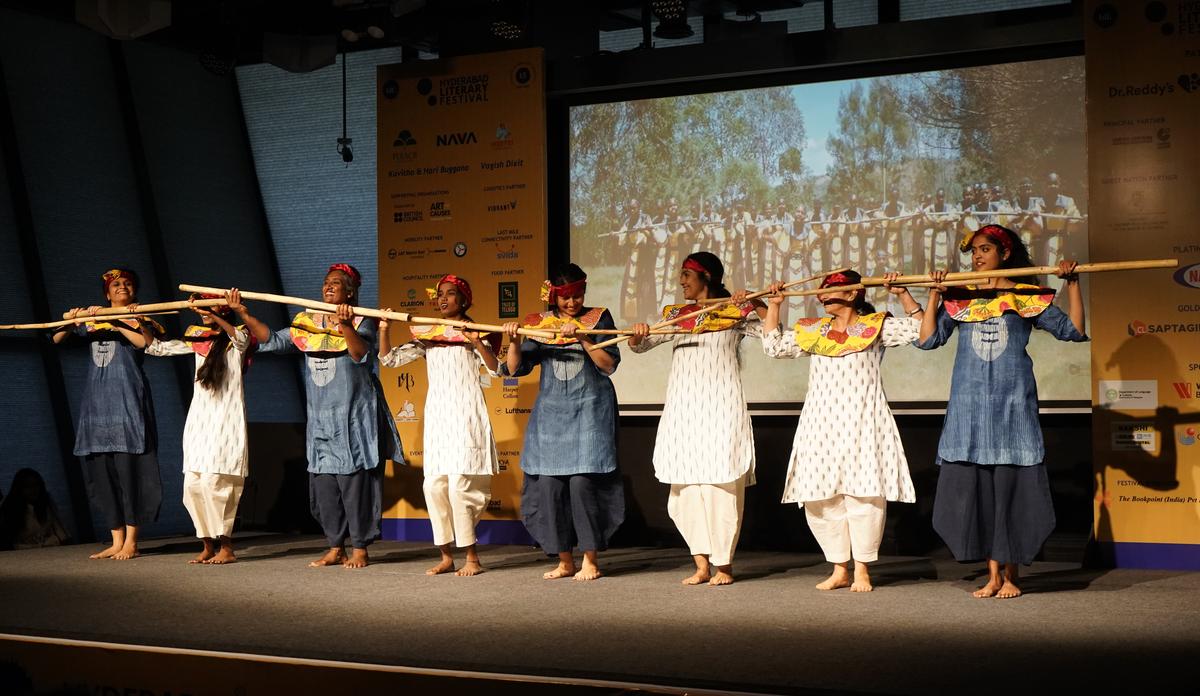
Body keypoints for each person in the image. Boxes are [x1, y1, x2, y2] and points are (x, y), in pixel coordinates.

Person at [918, 224, 1085, 598]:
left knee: (1010, 490)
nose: (976, 257)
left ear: (1004, 254)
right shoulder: (961, 299)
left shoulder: (1025, 296)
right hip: (970, 410)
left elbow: (1073, 330)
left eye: (984, 250)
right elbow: (928, 340)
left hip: (1011, 406)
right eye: (973, 251)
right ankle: (992, 576)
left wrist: (1072, 284)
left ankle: (1011, 576)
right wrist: (933, 296)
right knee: (981, 492)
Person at [761, 271, 923, 591]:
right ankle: (839, 566)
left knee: (864, 493)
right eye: (821, 291)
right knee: (820, 495)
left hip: (863, 418)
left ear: (852, 295)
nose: (822, 296)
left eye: (831, 290)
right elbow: (774, 346)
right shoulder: (814, 331)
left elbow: (920, 330)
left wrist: (903, 294)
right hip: (820, 421)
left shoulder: (874, 327)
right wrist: (775, 305)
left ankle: (862, 567)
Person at [241, 263, 402, 569]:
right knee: (325, 486)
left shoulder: (363, 319)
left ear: (350, 292)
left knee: (354, 483)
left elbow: (360, 354)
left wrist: (345, 325)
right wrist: (245, 315)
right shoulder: (307, 322)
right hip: (320, 418)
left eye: (336, 283)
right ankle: (335, 545)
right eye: (326, 283)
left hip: (353, 415)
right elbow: (273, 340)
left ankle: (360, 548)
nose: (328, 287)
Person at [628, 252, 765, 586]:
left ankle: (723, 565)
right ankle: (701, 563)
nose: (681, 281)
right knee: (686, 487)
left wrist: (756, 304)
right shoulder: (678, 315)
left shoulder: (735, 312)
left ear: (707, 277)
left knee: (720, 485)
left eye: (687, 275)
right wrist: (639, 334)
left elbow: (772, 335)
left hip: (721, 406)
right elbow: (639, 346)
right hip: (684, 408)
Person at [501, 264, 624, 581]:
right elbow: (514, 370)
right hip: (552, 416)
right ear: (554, 296)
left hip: (590, 412)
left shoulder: (599, 317)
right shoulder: (540, 324)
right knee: (551, 487)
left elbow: (608, 366)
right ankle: (564, 560)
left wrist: (583, 337)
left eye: (578, 296)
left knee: (583, 484)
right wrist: (514, 339)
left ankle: (590, 559)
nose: (572, 303)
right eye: (566, 297)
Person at [379, 274, 500, 577]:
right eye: (440, 294)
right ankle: (446, 555)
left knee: (460, 487)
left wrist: (475, 341)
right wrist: (384, 328)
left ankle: (471, 557)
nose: (443, 299)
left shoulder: (478, 332)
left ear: (464, 300)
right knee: (434, 485)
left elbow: (496, 370)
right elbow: (389, 360)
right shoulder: (428, 334)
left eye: (451, 294)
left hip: (466, 415)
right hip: (438, 418)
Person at [52, 268, 162, 560]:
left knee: (130, 473)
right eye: (116, 285)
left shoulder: (141, 317)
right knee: (102, 474)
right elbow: (56, 340)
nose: (121, 287)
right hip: (97, 405)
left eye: (127, 283)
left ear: (134, 290)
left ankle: (132, 541)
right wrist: (74, 320)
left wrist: (113, 319)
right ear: (106, 292)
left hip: (126, 401)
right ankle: (116, 539)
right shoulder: (92, 322)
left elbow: (145, 343)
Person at [145, 290, 254, 564]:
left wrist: (216, 313)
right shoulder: (196, 336)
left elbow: (240, 339)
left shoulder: (237, 335)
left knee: (216, 482)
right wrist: (137, 321)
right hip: (200, 419)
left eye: (209, 309)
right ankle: (207, 543)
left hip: (226, 419)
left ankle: (226, 546)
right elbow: (158, 347)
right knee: (193, 484)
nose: (204, 314)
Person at [0, 469, 69, 550]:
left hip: (50, 549)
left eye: (36, 485)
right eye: (28, 486)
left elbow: (60, 530)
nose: (33, 489)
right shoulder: (9, 507)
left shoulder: (46, 503)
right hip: (22, 553)